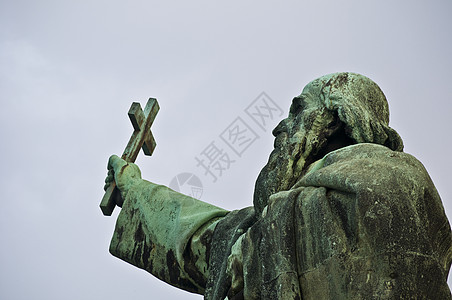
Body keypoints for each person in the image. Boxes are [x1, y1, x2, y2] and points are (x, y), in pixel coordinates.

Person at [104, 72, 452, 299]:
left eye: (297, 111)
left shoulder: (394, 183)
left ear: (335, 118)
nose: (279, 127)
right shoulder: (292, 212)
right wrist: (137, 192)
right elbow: (218, 248)